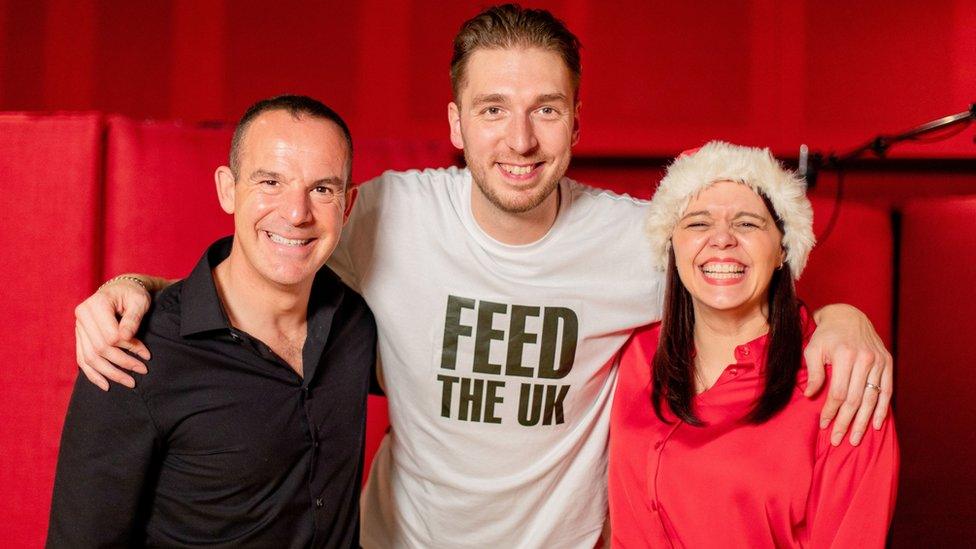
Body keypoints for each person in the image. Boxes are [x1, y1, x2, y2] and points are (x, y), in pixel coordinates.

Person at [71, 5, 893, 547]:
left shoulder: (633, 236)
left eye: (547, 109)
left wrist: (846, 316)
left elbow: (733, 284)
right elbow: (274, 251)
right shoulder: (383, 214)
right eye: (494, 109)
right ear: (457, 124)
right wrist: (138, 289)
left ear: (578, 121)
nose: (521, 140)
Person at [49, 95, 376, 547]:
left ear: (347, 204)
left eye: (322, 189)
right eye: (270, 181)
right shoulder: (133, 356)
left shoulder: (355, 324)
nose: (297, 212)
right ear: (227, 188)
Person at [609, 141, 899, 547]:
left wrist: (844, 317)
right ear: (670, 245)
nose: (722, 239)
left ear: (783, 248)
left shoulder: (846, 383)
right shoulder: (633, 354)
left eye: (747, 223)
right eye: (697, 223)